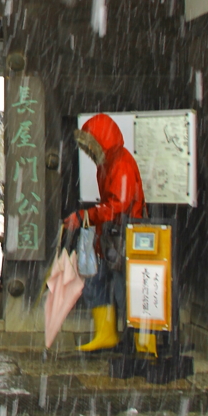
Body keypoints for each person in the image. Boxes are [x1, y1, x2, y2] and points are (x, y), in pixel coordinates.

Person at [63, 113, 145, 352]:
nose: (87, 150)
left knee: (123, 288)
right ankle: (108, 333)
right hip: (112, 235)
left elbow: (118, 204)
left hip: (125, 236)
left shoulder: (121, 163)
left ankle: (137, 339)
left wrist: (86, 216)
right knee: (98, 282)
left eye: (90, 144)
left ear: (100, 141)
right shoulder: (108, 163)